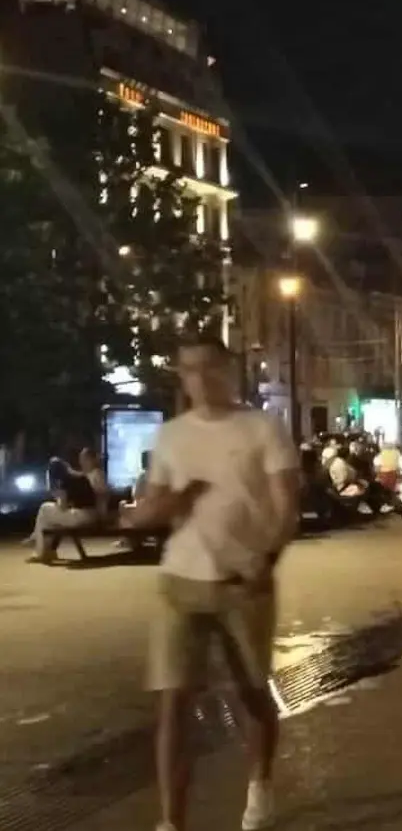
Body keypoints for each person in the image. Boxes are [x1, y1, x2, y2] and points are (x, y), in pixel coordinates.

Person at [122, 335, 300, 831]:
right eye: (188, 370)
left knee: (251, 694)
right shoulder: (173, 436)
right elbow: (149, 509)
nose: (199, 379)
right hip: (180, 580)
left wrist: (268, 555)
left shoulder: (263, 428)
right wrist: (153, 510)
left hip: (242, 581)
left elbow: (287, 506)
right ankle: (170, 821)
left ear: (229, 370)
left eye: (208, 368)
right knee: (172, 702)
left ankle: (260, 782)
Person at [25, 456, 100, 564]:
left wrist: (55, 494)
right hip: (91, 515)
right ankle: (42, 546)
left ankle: (39, 547)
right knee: (47, 517)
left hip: (81, 516)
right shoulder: (80, 477)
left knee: (44, 509)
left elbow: (62, 507)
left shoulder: (65, 481)